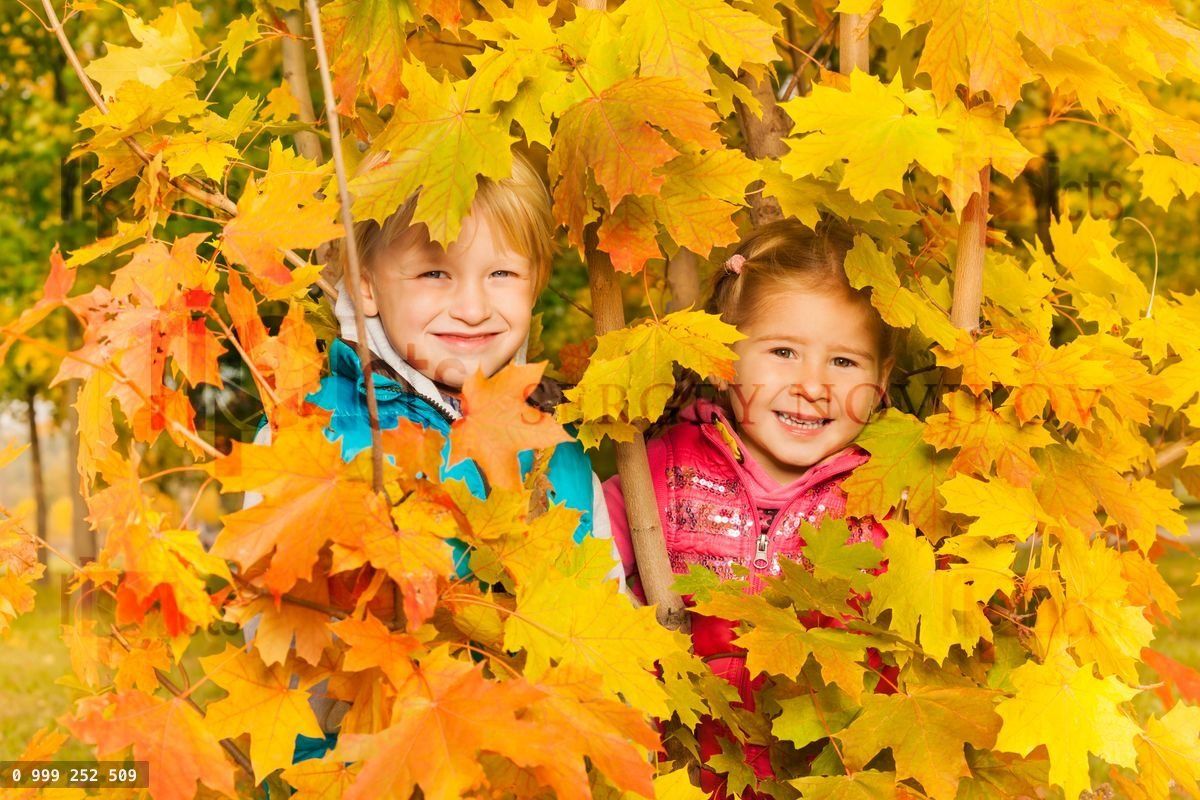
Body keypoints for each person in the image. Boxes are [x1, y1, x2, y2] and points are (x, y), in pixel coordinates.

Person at [245, 149, 618, 766]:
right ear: (366, 284)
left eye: (502, 273)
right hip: (356, 766)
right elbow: (280, 645)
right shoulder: (309, 435)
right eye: (434, 273)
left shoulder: (558, 452)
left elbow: (605, 626)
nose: (472, 307)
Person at [603, 217, 899, 798]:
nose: (812, 385)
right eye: (783, 352)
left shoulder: (883, 505)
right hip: (671, 776)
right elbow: (587, 574)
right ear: (724, 358)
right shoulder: (661, 471)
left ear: (882, 379)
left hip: (818, 782)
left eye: (844, 362)